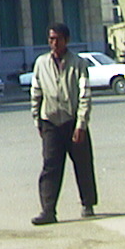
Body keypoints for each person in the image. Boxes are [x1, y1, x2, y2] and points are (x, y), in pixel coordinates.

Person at [29, 22, 96, 224]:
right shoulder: (41, 63)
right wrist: (37, 120)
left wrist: (81, 125)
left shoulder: (78, 63)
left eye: (58, 39)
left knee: (83, 164)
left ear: (66, 40)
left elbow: (85, 95)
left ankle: (88, 203)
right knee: (50, 165)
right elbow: (36, 92)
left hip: (73, 121)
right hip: (50, 120)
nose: (54, 43)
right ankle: (48, 210)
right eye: (51, 39)